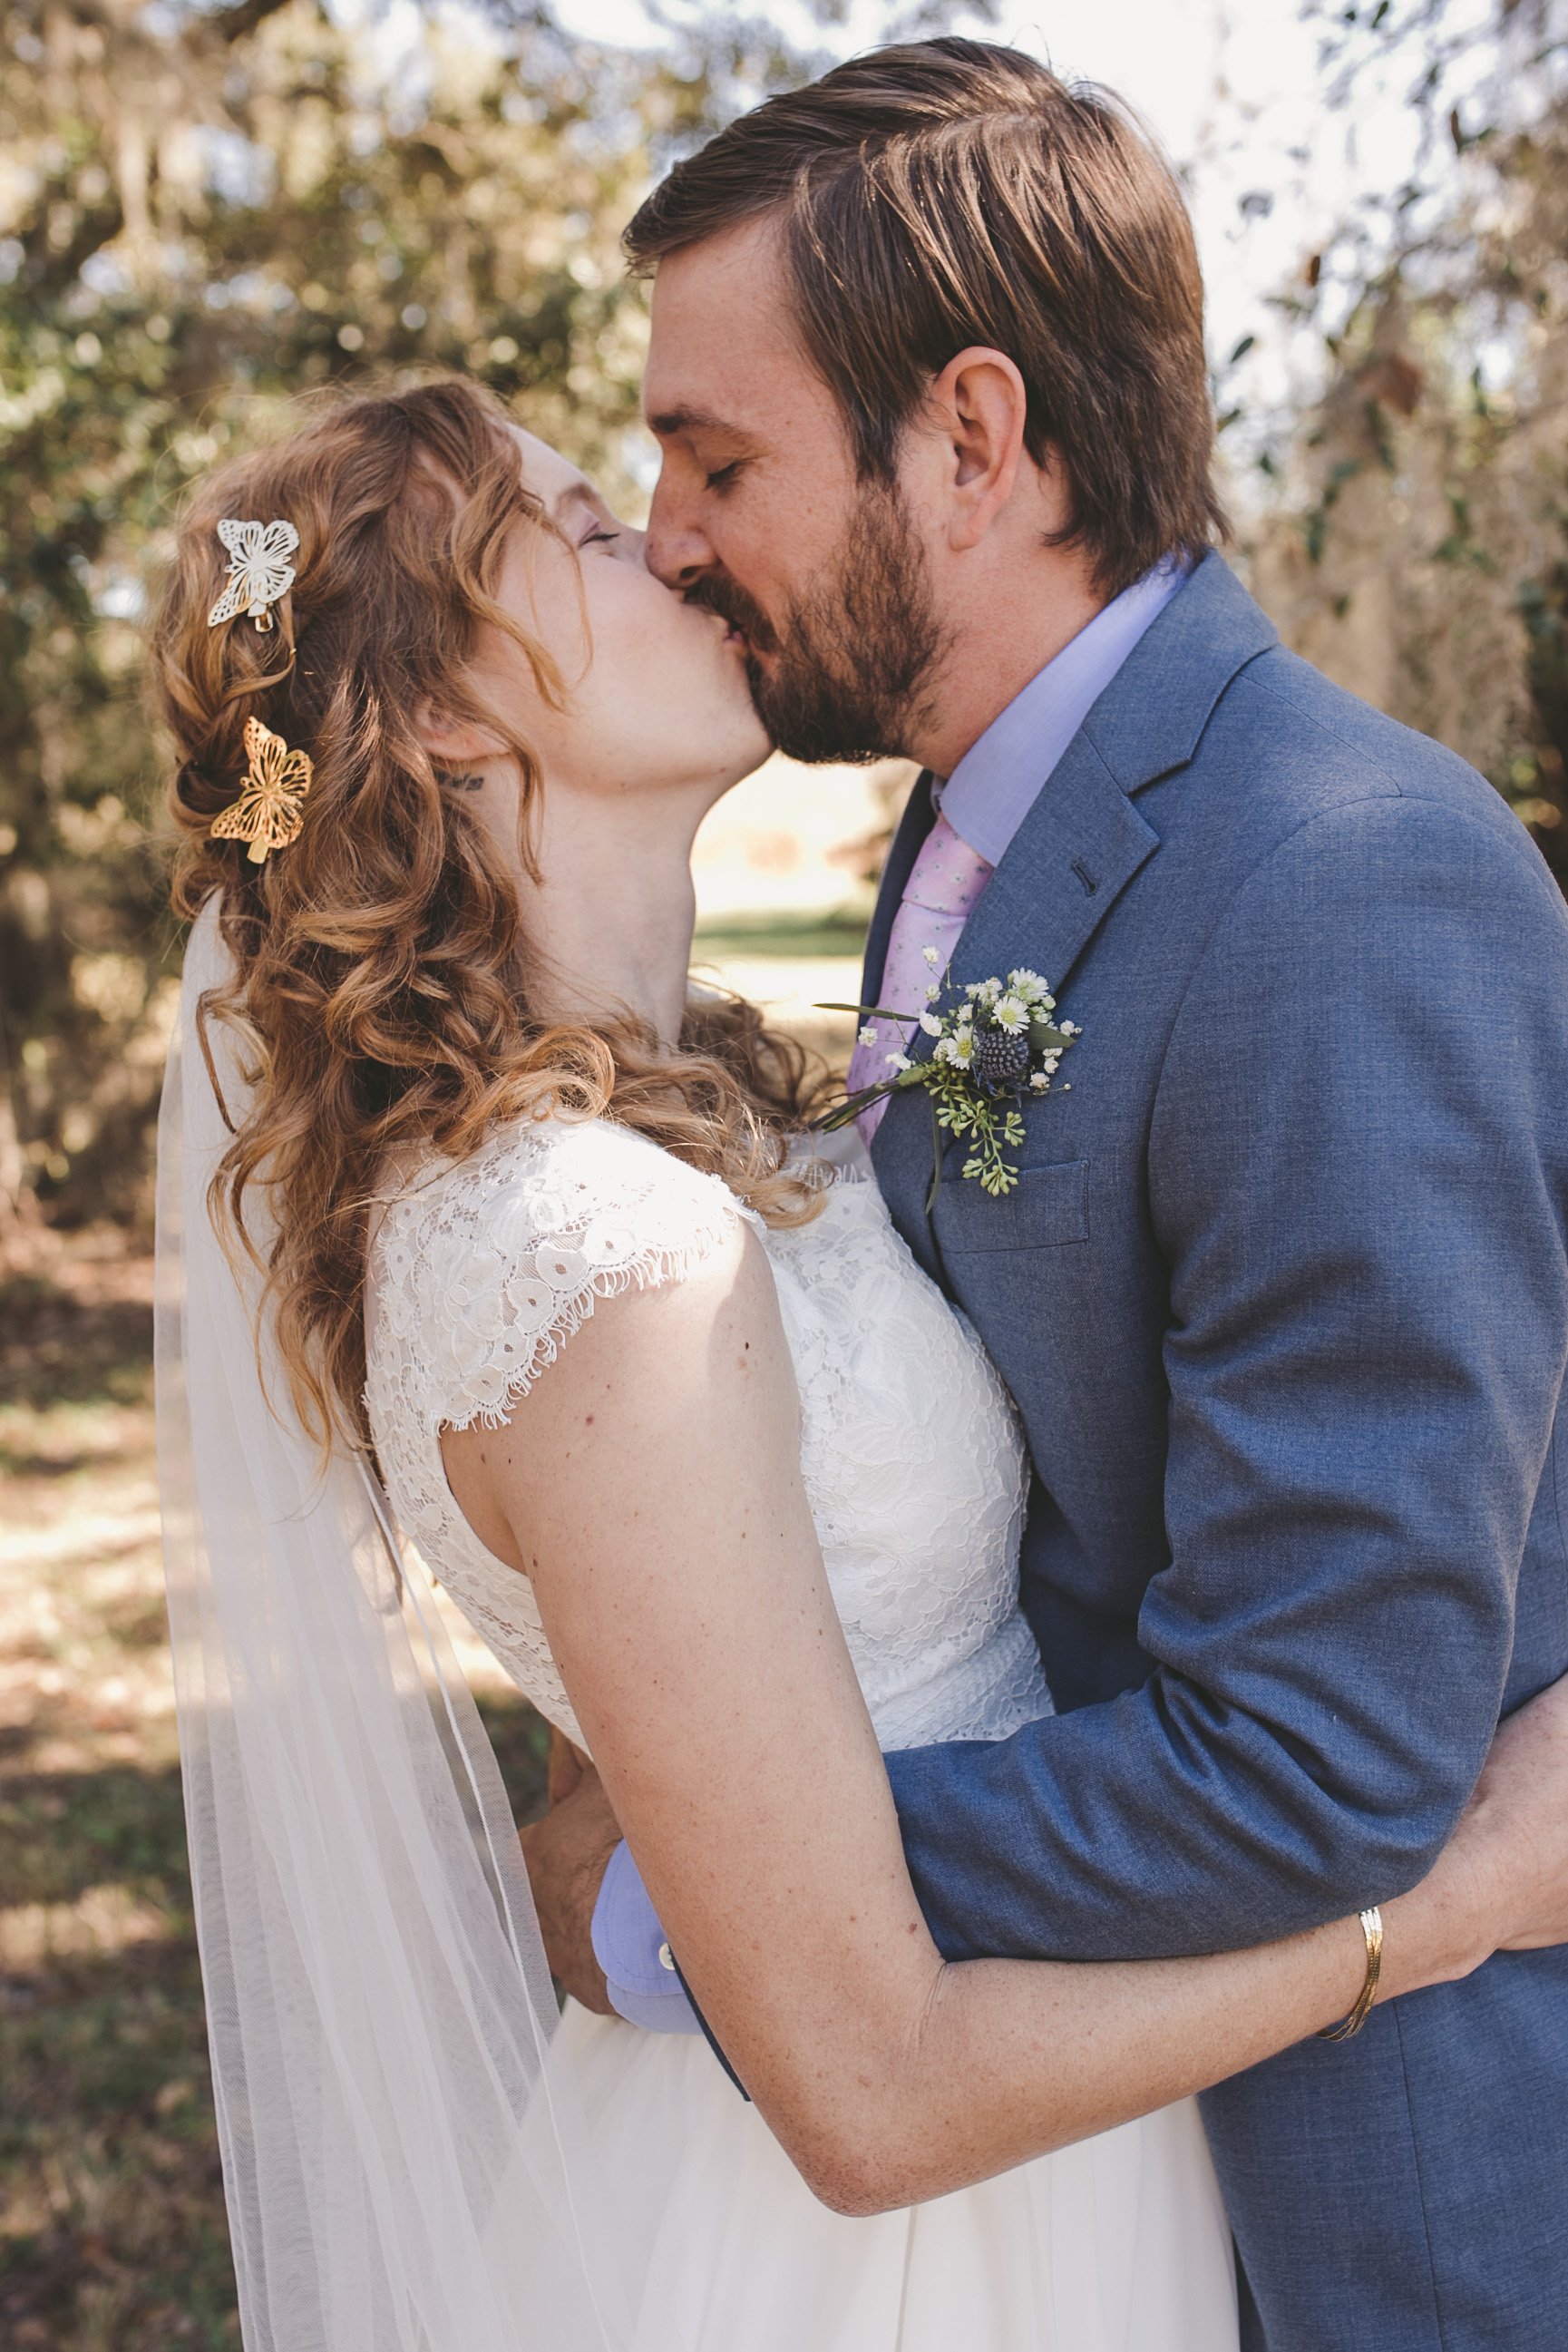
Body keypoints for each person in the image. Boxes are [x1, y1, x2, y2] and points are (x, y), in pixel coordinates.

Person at [152, 370, 1568, 2352]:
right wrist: (1464, 1900)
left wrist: (648, 1890)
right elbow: (877, 2093)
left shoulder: (703, 1138)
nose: (663, 538)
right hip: (901, 2228)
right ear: (451, 718)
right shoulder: (592, 1251)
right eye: (575, 531)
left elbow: (625, 1732)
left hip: (1046, 2116)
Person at [515, 37, 1568, 2352]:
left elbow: (1318, 1758)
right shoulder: (961, 818)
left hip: (1368, 2211)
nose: (670, 531)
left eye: (718, 456)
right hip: (1073, 2163)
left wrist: (704, 1881)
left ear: (970, 442)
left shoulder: (1340, 878)